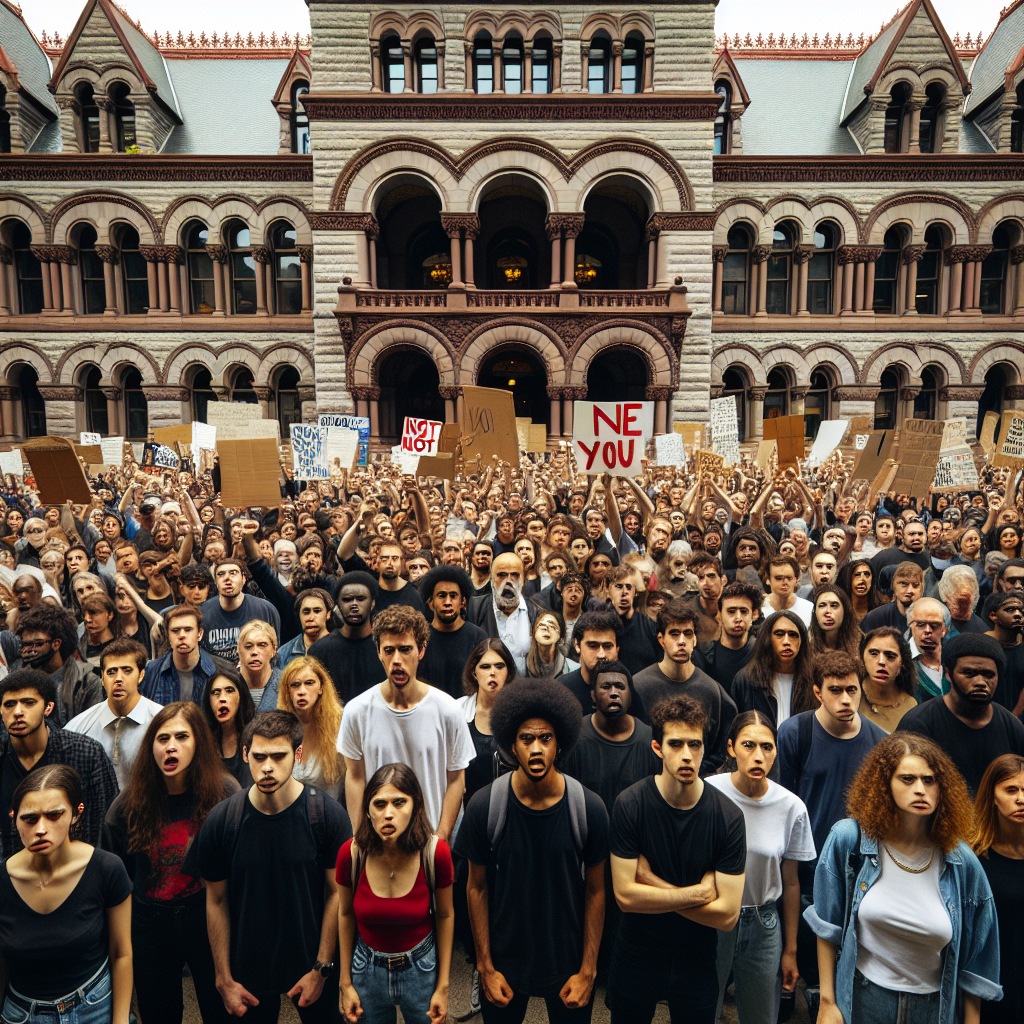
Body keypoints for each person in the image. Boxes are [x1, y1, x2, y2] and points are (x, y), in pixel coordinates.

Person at [805, 733, 1000, 1024]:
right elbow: (827, 926)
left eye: (930, 780)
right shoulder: (850, 840)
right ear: (885, 785)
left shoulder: (961, 861)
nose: (920, 789)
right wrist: (828, 1002)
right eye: (907, 779)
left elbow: (977, 963)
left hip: (933, 1008)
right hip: (863, 1001)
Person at [457, 678, 609, 1024]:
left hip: (567, 963)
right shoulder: (486, 806)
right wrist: (485, 967)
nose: (536, 749)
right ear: (513, 744)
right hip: (505, 964)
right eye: (527, 739)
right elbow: (475, 887)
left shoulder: (588, 807)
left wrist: (588, 971)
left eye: (545, 738)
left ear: (560, 743)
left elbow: (597, 891)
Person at [185, 711, 352, 1024]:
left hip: (310, 961)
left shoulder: (326, 816)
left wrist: (322, 968)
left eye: (279, 756)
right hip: (248, 971)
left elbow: (337, 895)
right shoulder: (223, 821)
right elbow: (215, 901)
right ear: (246, 754)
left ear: (297, 755)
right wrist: (223, 979)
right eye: (259, 756)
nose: (268, 767)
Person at [608, 693, 745, 1023]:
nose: (687, 755)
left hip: (695, 957)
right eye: (676, 744)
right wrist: (699, 893)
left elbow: (727, 915)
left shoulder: (728, 817)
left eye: (695, 745)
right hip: (637, 951)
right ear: (658, 748)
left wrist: (651, 884)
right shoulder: (630, 805)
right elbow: (626, 897)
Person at [102, 702, 239, 1024]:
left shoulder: (225, 794)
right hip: (150, 921)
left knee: (221, 1007)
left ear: (198, 743)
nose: (171, 746)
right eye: (162, 739)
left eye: (181, 737)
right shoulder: (129, 803)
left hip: (206, 916)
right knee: (158, 1012)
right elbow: (115, 872)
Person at [0, 765, 132, 1024]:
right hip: (22, 1014)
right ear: (14, 817)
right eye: (29, 818)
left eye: (53, 815)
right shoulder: (3, 880)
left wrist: (120, 1020)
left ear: (75, 813)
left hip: (93, 1007)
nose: (40, 828)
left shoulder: (106, 869)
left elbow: (121, 953)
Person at [708, 711, 816, 1024]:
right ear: (731, 748)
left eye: (767, 747)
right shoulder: (709, 793)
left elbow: (792, 882)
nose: (759, 756)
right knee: (701, 1009)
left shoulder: (791, 806)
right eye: (748, 745)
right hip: (713, 913)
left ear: (776, 751)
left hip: (763, 919)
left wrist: (791, 949)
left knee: (761, 1016)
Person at [339, 606, 474, 840]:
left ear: (421, 651)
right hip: (379, 842)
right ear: (379, 653)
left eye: (405, 649)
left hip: (431, 839)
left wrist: (440, 840)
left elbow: (456, 780)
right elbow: (355, 777)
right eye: (389, 651)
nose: (397, 660)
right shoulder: (356, 711)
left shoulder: (449, 710)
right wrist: (360, 835)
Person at [337, 763, 455, 1024]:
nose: (388, 814)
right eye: (379, 804)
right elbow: (344, 914)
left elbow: (446, 915)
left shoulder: (435, 853)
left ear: (415, 807)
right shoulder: (352, 853)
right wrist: (345, 983)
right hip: (366, 969)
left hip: (421, 967)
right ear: (367, 811)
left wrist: (443, 987)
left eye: (399, 803)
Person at [0, 669, 119, 857]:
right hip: (10, 875)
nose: (17, 712)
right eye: (9, 705)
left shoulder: (86, 753)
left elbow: (105, 823)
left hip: (75, 870)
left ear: (48, 708)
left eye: (29, 703)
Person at [897, 632, 1024, 794]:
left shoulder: (1012, 727)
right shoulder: (918, 724)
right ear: (948, 674)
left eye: (988, 674)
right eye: (969, 673)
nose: (980, 682)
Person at [632, 600, 737, 774]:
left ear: (694, 639)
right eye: (674, 633)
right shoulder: (638, 686)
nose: (681, 641)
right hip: (649, 783)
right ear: (661, 639)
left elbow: (720, 751)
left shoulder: (711, 691)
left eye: (687, 633)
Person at [65, 638, 163, 790]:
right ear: (102, 678)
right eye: (111, 672)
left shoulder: (161, 721)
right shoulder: (78, 728)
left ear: (141, 675)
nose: (118, 679)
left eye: (127, 670)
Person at [972, 754, 1024, 1024]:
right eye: (1011, 790)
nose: (1021, 799)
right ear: (992, 795)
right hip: (989, 990)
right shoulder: (974, 858)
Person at [14, 603, 104, 726]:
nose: (30, 650)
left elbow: (92, 728)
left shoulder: (86, 681)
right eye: (26, 644)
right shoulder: (18, 679)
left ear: (56, 644)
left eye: (37, 644)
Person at [308, 572, 387, 704]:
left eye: (361, 598)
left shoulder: (386, 648)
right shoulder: (319, 651)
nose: (354, 605)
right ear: (337, 604)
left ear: (372, 604)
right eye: (347, 599)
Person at [731, 611, 816, 729]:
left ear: (802, 641)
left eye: (793, 635)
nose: (786, 641)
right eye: (779, 634)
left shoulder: (814, 681)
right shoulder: (746, 680)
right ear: (768, 639)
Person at [275, 656, 344, 800]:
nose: (302, 691)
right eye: (295, 685)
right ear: (288, 692)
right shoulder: (279, 728)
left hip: (330, 814)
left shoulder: (340, 725)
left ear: (321, 688)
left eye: (309, 683)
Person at [141, 605, 234, 706]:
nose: (182, 635)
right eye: (175, 631)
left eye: (188, 630)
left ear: (200, 633)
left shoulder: (222, 671)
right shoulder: (150, 672)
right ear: (168, 636)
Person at [421, 566, 488, 699]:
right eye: (441, 596)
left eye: (453, 596)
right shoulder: (420, 637)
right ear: (431, 603)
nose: (447, 602)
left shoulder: (478, 637)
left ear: (463, 602)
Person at [199, 559, 280, 665]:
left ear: (244, 579)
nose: (227, 578)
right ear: (215, 581)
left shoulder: (265, 609)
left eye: (233, 573)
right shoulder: (203, 613)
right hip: (217, 677)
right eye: (221, 574)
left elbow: (275, 651)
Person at [467, 553, 535, 673]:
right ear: (492, 580)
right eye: (502, 575)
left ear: (523, 580)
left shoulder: (536, 613)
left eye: (514, 575)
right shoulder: (473, 609)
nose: (508, 581)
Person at [699, 581, 760, 697]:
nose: (738, 618)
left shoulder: (762, 653)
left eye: (744, 612)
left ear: (753, 616)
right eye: (731, 611)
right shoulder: (706, 656)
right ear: (719, 615)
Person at [604, 565, 663, 675]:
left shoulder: (650, 627)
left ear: (635, 592)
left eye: (628, 587)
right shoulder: (599, 626)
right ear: (608, 591)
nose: (624, 592)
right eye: (618, 586)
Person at [203, 666, 256, 786]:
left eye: (229, 690)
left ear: (241, 696)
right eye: (215, 693)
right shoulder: (204, 741)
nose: (222, 698)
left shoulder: (256, 737)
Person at [859, 626, 918, 733]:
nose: (881, 661)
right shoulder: (851, 696)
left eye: (890, 656)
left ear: (902, 663)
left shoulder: (910, 706)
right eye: (873, 653)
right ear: (862, 659)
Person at [981, 592, 1024, 712]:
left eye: (1021, 611)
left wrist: (1013, 718)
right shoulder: (981, 646)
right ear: (993, 616)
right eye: (1010, 610)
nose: (1017, 614)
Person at [859, 561, 924, 633]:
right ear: (893, 586)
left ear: (921, 589)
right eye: (904, 584)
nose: (909, 590)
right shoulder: (875, 618)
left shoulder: (931, 618)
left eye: (915, 585)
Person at [277, 589, 334, 667]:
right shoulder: (283, 653)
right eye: (306, 612)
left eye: (317, 611)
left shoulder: (339, 648)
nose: (311, 617)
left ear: (328, 614)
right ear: (299, 616)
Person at [906, 596, 949, 699]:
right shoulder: (902, 661)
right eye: (920, 624)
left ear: (945, 629)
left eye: (934, 625)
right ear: (910, 626)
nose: (928, 630)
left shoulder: (952, 658)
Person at [236, 620, 281, 710]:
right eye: (248, 646)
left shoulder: (286, 684)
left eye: (262, 645)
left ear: (274, 650)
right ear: (238, 651)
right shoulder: (230, 685)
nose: (255, 652)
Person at [761, 555, 813, 628]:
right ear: (768, 580)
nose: (785, 582)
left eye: (789, 578)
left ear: (796, 580)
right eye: (779, 578)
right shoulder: (760, 610)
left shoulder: (809, 609)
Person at [808, 584, 860, 657]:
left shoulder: (861, 644)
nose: (828, 612)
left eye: (834, 605)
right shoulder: (806, 645)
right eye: (822, 606)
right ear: (815, 612)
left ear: (845, 610)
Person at [524, 610, 568, 678]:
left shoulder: (571, 668)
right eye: (541, 625)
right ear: (533, 632)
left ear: (560, 636)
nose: (546, 628)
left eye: (552, 626)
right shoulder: (522, 666)